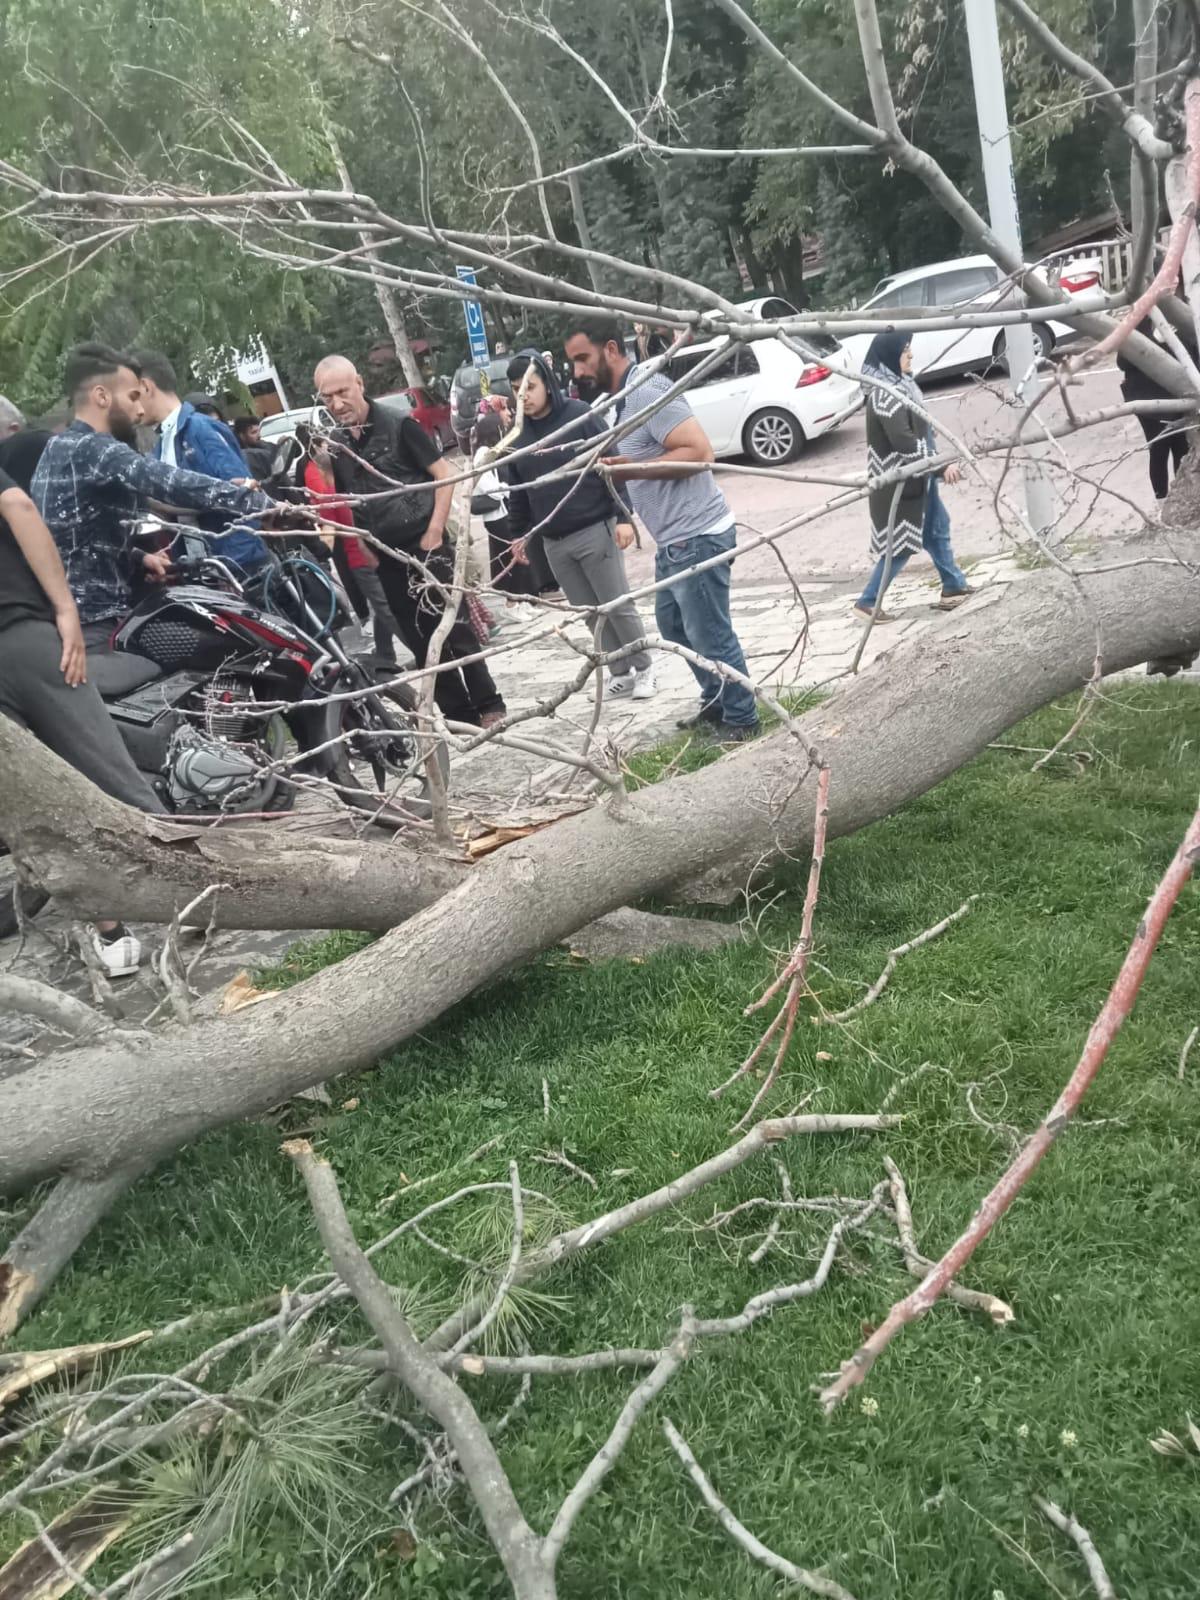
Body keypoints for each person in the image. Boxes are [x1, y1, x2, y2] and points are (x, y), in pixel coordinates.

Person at [564, 316, 758, 738]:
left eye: (582, 358)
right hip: (673, 541)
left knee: (710, 633)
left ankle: (742, 719)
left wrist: (634, 468)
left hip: (698, 535)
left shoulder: (649, 391)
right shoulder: (622, 400)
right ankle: (716, 702)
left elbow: (700, 452)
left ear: (612, 349)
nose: (576, 372)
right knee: (676, 629)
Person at [0, 464, 158, 977]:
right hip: (26, 639)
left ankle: (109, 933)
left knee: (34, 805)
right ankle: (213, 891)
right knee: (111, 776)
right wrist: (65, 609)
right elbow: (19, 506)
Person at [32, 344, 274, 667]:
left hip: (81, 619)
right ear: (102, 397)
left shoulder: (56, 450)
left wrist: (138, 556)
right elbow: (166, 482)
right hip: (97, 624)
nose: (138, 411)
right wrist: (254, 500)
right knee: (221, 661)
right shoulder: (97, 449)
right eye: (132, 397)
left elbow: (71, 535)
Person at [314, 354, 505, 728]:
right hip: (386, 555)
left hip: (427, 546)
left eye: (342, 392)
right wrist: (365, 543)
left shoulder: (399, 425)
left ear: (359, 384)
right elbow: (351, 496)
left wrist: (434, 531)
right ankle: (457, 715)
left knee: (456, 629)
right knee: (420, 641)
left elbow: (443, 474)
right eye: (327, 397)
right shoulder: (338, 445)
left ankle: (489, 704)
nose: (337, 404)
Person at [503, 350, 656, 700]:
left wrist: (623, 516)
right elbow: (518, 491)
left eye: (530, 386)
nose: (523, 396)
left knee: (615, 604)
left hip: (594, 528)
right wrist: (518, 534)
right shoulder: (518, 433)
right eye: (516, 389)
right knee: (590, 612)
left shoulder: (578, 416)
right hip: (554, 541)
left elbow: (611, 463)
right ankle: (620, 670)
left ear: (548, 383)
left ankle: (645, 666)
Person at [852, 332, 974, 622]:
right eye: (905, 351)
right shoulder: (884, 394)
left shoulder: (903, 385)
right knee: (900, 546)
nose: (910, 356)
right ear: (890, 355)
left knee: (936, 528)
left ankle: (953, 586)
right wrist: (939, 467)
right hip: (898, 484)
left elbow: (919, 432)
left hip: (918, 478)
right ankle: (867, 603)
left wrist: (933, 463)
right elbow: (904, 442)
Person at [131, 351, 270, 574]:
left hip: (238, 567)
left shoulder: (200, 428)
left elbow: (242, 497)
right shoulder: (162, 443)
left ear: (146, 386)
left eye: (133, 395)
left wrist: (236, 568)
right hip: (202, 569)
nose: (132, 406)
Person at [303, 437, 404, 668]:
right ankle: (386, 654)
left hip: (360, 560)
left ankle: (420, 650)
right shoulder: (358, 488)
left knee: (385, 609)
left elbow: (329, 531)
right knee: (382, 606)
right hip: (379, 552)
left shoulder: (331, 497)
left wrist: (320, 556)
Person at [1117, 319, 1192, 502]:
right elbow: (1123, 363)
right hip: (1148, 401)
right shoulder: (1138, 324)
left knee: (1181, 448)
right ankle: (1161, 499)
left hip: (1179, 396)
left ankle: (1179, 498)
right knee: (1159, 448)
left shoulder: (1178, 322)